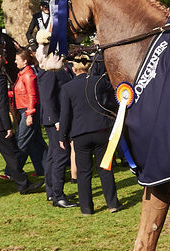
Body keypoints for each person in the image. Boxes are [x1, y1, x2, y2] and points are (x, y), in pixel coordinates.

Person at [0, 42, 44, 200]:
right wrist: (7, 126)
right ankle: (24, 184)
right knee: (12, 154)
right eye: (4, 56)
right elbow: (1, 104)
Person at [57, 56, 121, 214]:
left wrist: (62, 137)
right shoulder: (98, 81)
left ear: (74, 69)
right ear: (88, 67)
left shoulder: (67, 88)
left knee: (84, 172)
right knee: (105, 168)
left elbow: (65, 115)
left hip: (80, 133)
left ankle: (86, 207)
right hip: (100, 130)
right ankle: (113, 203)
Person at [38, 53, 77, 208]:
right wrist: (56, 120)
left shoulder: (61, 69)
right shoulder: (50, 72)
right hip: (56, 120)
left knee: (54, 155)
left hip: (58, 118)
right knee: (60, 155)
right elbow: (47, 97)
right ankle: (58, 195)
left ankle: (53, 192)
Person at [12, 47, 47, 178]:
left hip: (28, 111)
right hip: (26, 110)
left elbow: (32, 95)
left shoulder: (28, 75)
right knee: (36, 141)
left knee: (21, 140)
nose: (15, 62)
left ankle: (12, 171)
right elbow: (21, 92)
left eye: (17, 60)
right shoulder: (23, 74)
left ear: (25, 61)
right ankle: (43, 168)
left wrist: (30, 114)